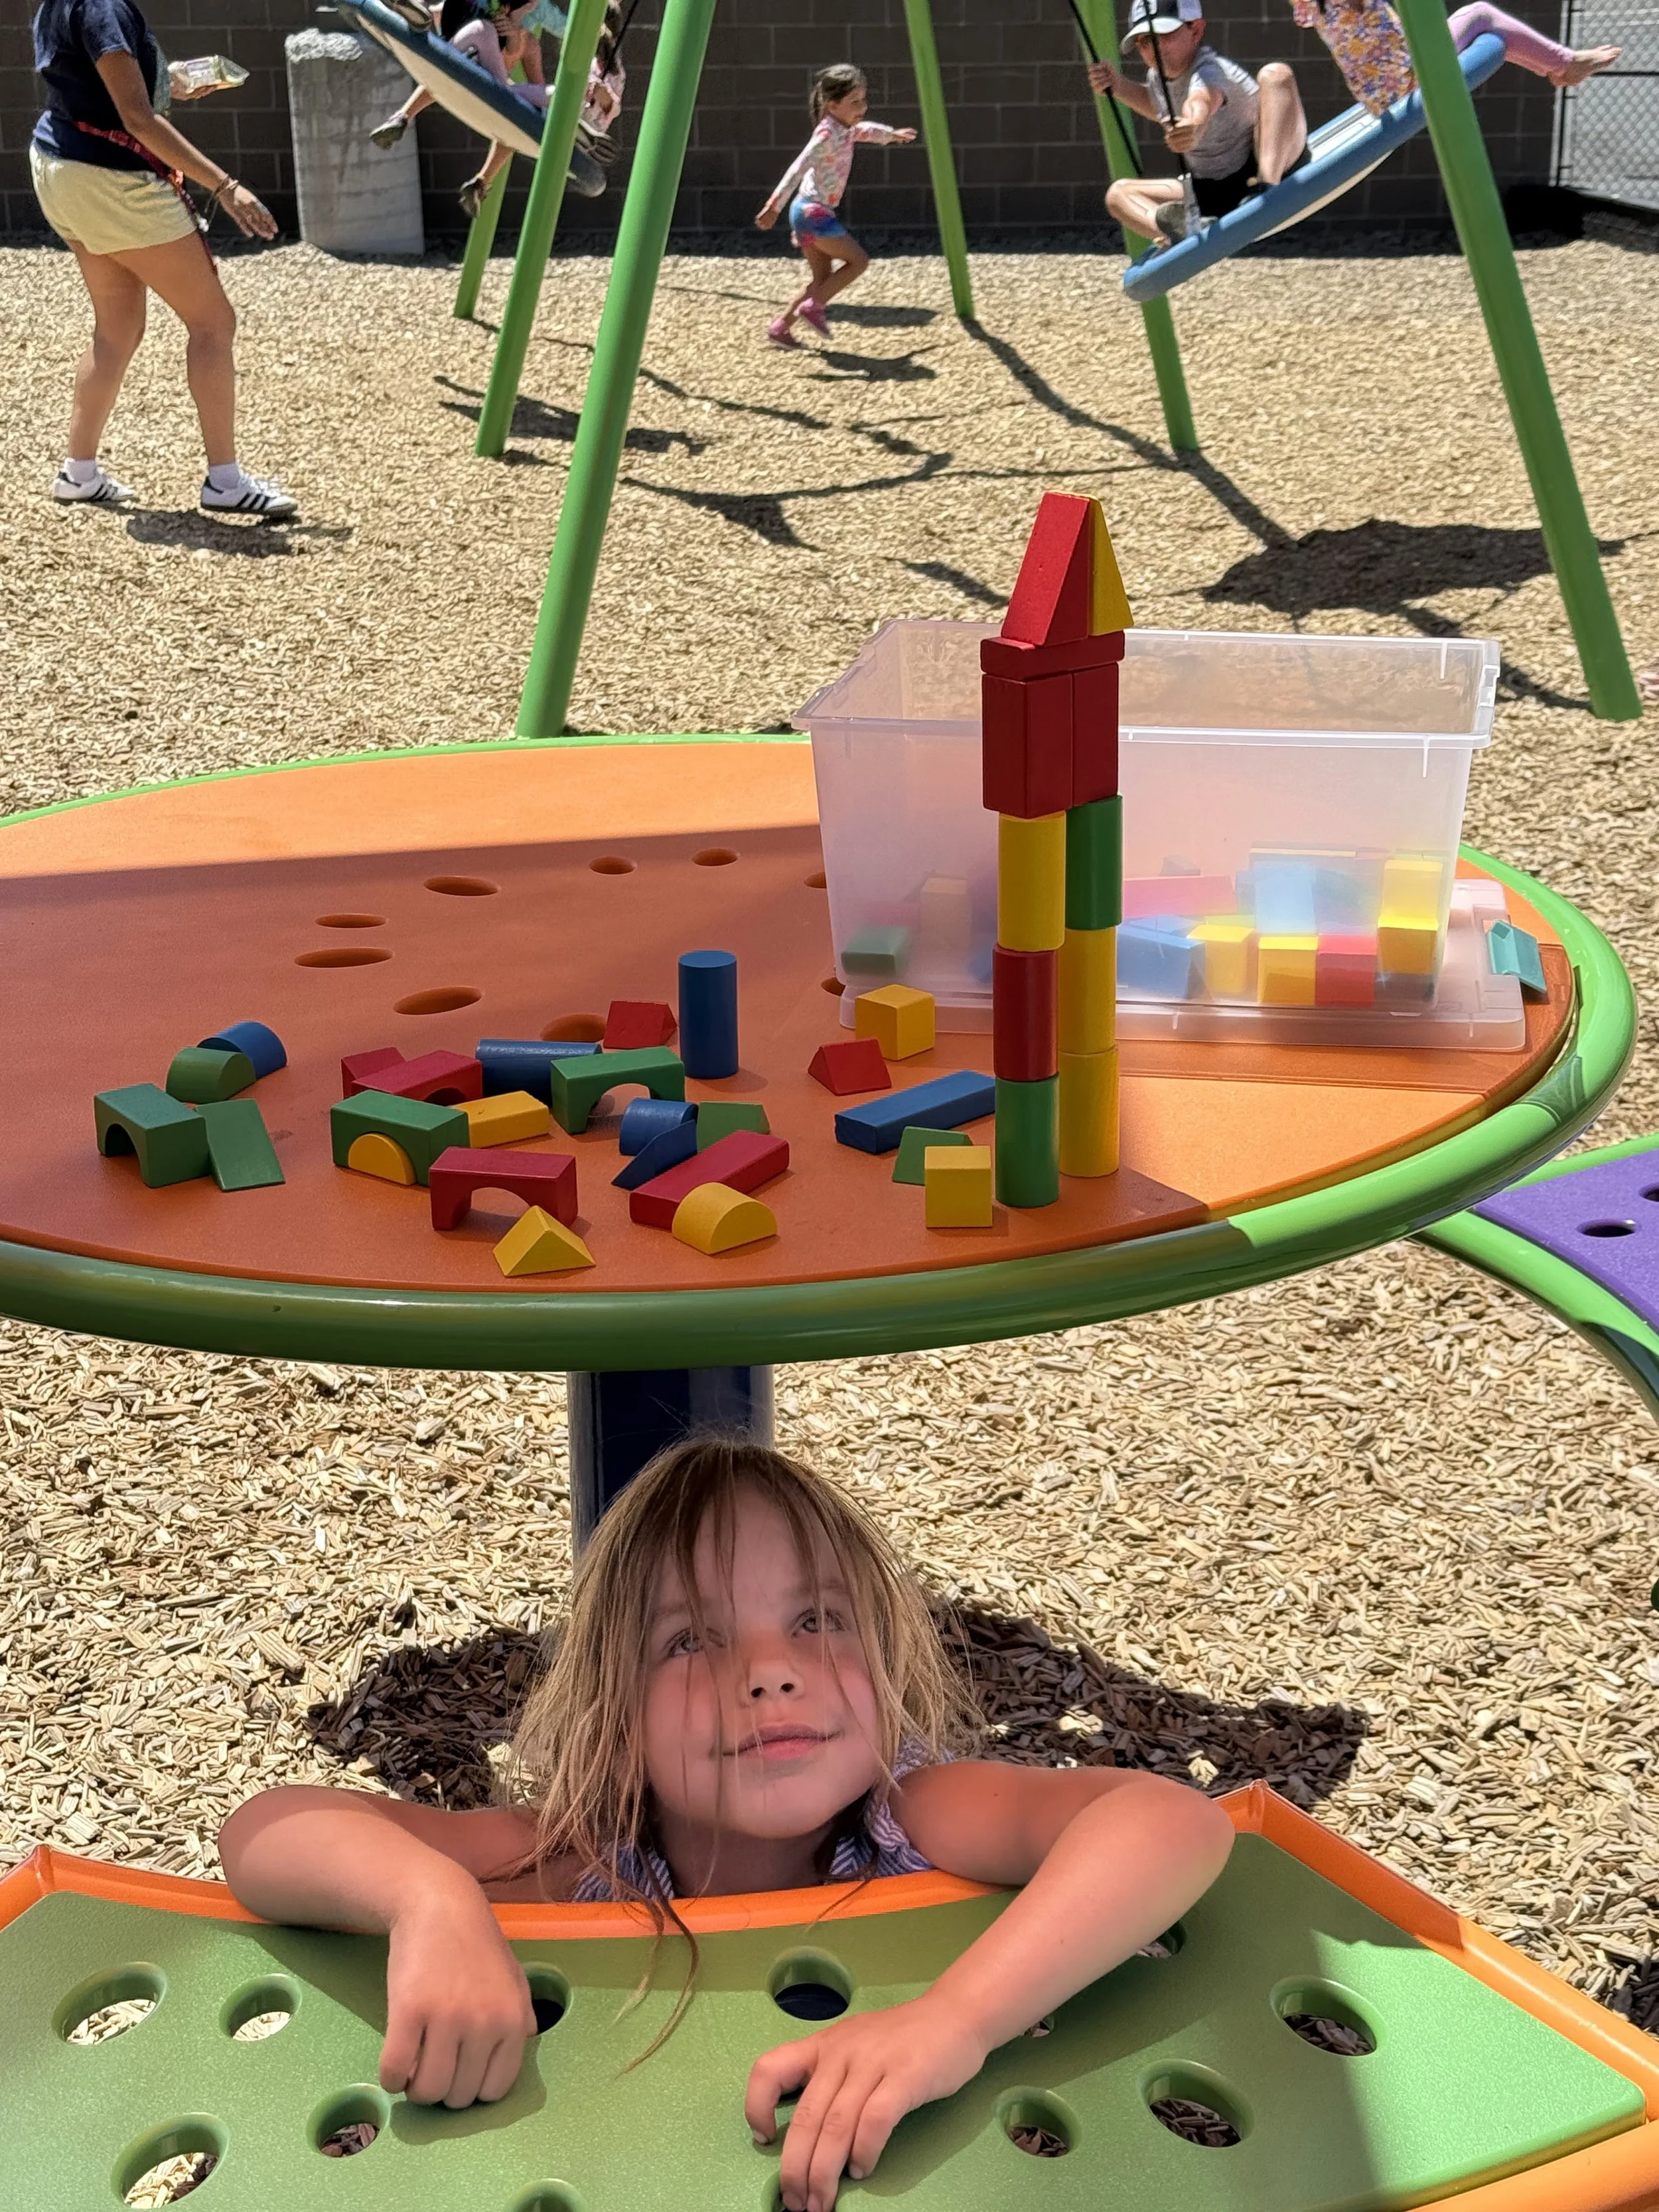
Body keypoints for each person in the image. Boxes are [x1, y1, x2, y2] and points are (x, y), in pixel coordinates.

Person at [220, 1439, 1234, 2212]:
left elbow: (1164, 1819)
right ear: (618, 1722)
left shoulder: (908, 1813)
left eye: (817, 1621)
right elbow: (265, 1830)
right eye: (693, 1639)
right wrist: (428, 1898)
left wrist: (951, 2023)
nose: (768, 1669)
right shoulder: (583, 1861)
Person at [29, 0, 297, 514]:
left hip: (60, 167)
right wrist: (226, 186)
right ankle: (225, 483)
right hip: (112, 179)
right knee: (213, 323)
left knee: (117, 327)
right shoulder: (103, 7)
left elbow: (94, 84)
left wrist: (165, 80)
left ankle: (77, 473)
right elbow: (137, 118)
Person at [1089, 0, 1309, 246]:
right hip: (1210, 191)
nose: (1156, 47)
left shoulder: (1210, 70)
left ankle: (1267, 187)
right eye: (1145, 41)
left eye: (1165, 33)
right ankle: (1180, 231)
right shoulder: (1156, 77)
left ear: (1196, 30)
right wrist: (1117, 86)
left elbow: (1203, 99)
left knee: (1276, 75)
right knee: (1119, 194)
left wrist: (1194, 126)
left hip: (1263, 166)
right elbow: (1157, 105)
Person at [368, 0, 604, 220]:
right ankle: (404, 117)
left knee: (520, 108)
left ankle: (481, 178)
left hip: (493, 76)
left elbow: (553, 40)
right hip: (467, 59)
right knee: (481, 48)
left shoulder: (532, 16)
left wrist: (518, 21)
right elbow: (445, 14)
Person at [755, 64, 918, 349]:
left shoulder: (846, 129)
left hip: (807, 212)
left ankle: (780, 329)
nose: (863, 107)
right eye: (855, 102)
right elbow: (797, 168)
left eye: (864, 100)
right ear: (832, 105)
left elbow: (866, 131)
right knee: (859, 261)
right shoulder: (826, 135)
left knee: (822, 279)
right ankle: (813, 306)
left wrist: (892, 135)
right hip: (812, 212)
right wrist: (773, 206)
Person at [1289, 0, 1620, 117]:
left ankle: (1559, 68)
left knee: (1493, 29)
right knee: (1480, 15)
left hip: (1382, 89)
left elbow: (1305, 19)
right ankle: (1565, 64)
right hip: (1407, 77)